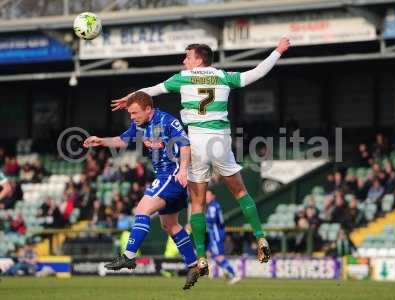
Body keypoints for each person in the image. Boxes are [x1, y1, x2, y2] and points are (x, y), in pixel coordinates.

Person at [111, 37, 291, 274]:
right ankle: (260, 237)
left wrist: (130, 98)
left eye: (187, 56)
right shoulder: (223, 76)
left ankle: (202, 258)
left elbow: (152, 90)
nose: (184, 60)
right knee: (240, 192)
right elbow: (257, 72)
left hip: (196, 141)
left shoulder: (182, 79)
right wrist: (277, 51)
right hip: (220, 141)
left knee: (197, 205)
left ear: (198, 59)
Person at [83, 91, 199, 290]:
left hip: (171, 175)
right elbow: (123, 140)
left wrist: (183, 169)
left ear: (148, 109)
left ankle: (128, 256)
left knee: (142, 209)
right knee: (170, 225)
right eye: (130, 114)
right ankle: (193, 265)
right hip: (166, 178)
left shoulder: (167, 121)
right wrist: (101, 141)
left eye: (135, 113)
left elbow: (185, 144)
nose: (132, 117)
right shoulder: (140, 125)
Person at [205, 189, 241, 284]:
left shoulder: (213, 206)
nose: (206, 197)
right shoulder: (212, 206)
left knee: (218, 256)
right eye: (206, 195)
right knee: (210, 253)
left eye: (208, 195)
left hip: (216, 235)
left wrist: (199, 219)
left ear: (213, 196)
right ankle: (224, 271)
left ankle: (234, 274)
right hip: (214, 234)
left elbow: (211, 219)